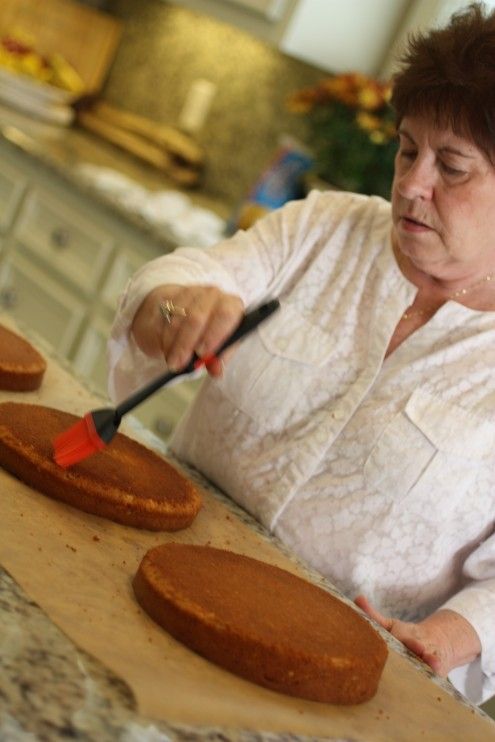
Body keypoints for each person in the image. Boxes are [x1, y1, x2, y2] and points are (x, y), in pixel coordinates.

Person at [108, 3, 495, 705]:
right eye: (407, 150)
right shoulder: (322, 228)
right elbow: (184, 278)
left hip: (322, 671)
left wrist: (447, 635)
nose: (411, 183)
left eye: (452, 167)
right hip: (153, 573)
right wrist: (174, 308)